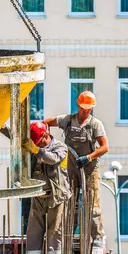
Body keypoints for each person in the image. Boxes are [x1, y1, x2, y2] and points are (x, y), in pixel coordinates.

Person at [1, 121, 70, 254]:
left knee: (54, 234)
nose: (35, 145)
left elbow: (52, 159)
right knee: (33, 235)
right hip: (38, 197)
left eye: (38, 142)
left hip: (56, 197)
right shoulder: (35, 145)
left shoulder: (60, 147)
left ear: (46, 136)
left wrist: (36, 150)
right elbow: (15, 137)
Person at [44, 91, 109, 246]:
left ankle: (97, 237)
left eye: (89, 109)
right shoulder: (67, 120)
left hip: (89, 168)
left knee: (92, 204)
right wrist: (48, 141)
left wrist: (89, 157)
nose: (86, 111)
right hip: (71, 167)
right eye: (83, 108)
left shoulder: (95, 125)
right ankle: (67, 235)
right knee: (69, 201)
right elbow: (45, 123)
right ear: (78, 105)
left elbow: (105, 147)